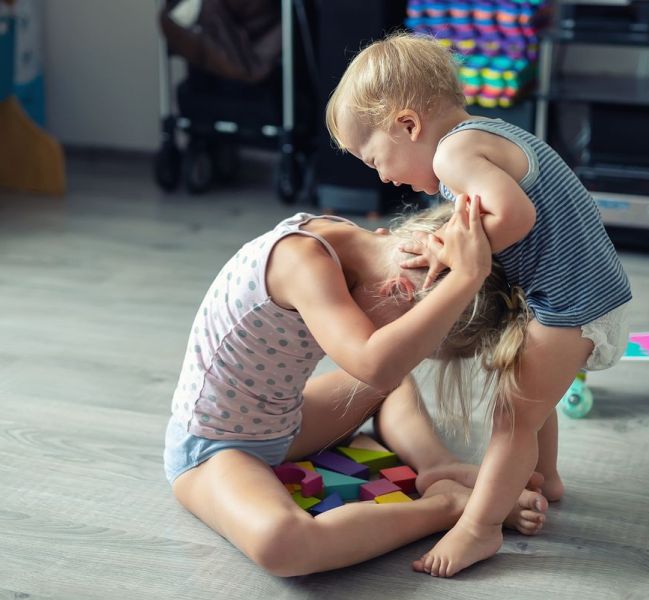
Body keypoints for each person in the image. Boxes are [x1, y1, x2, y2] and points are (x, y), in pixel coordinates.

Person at [325, 32, 633, 577]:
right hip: (581, 295)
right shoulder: (483, 135)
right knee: (530, 399)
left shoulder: (453, 154)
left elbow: (516, 218)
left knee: (511, 419)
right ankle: (547, 478)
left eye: (375, 159)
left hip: (571, 302)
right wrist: (445, 240)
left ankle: (479, 528)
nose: (382, 176)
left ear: (407, 125)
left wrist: (450, 250)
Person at [163, 198, 549, 577]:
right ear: (396, 290)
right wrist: (466, 276)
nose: (412, 356)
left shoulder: (359, 243)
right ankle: (447, 505)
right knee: (282, 545)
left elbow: (387, 374)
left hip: (283, 421)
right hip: (213, 446)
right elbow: (378, 366)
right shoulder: (301, 261)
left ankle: (437, 466)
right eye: (421, 349)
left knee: (394, 383)